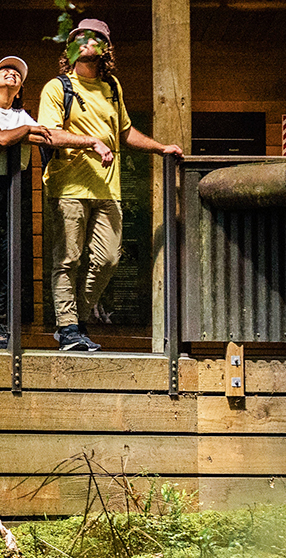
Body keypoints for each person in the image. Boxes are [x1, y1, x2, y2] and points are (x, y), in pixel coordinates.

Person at [37, 18, 182, 352]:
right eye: (81, 37)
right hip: (69, 188)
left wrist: (162, 148)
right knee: (68, 260)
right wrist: (91, 142)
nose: (89, 42)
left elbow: (125, 132)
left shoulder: (112, 87)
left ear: (105, 48)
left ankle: (75, 321)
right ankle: (69, 327)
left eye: (97, 38)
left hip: (107, 190)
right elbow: (49, 133)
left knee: (108, 260)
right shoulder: (58, 87)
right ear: (71, 46)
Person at [0, 55, 110, 348]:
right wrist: (25, 133)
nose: (11, 74)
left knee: (11, 257)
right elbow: (1, 138)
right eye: (4, 70)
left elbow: (51, 136)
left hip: (13, 186)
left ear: (19, 90)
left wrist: (90, 141)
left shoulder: (22, 116)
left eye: (17, 74)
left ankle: (0, 323)